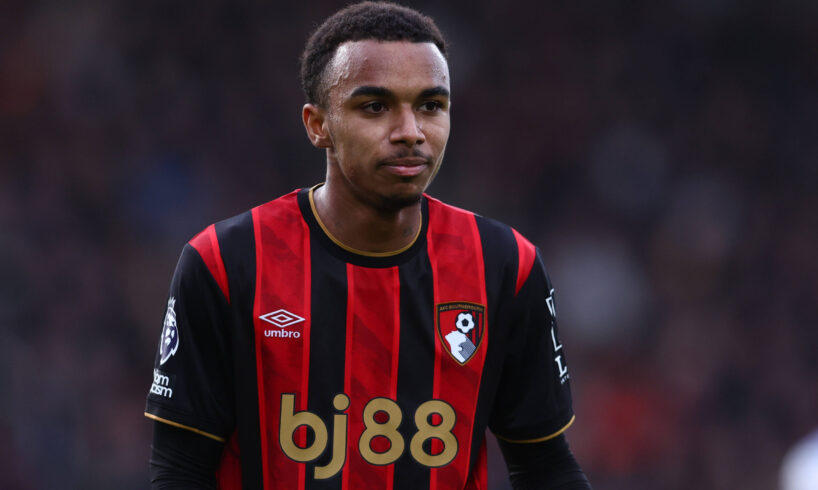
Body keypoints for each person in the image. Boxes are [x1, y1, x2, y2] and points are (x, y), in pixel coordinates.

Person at [145, 2, 591, 489]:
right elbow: (180, 471)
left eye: (430, 105)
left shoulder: (505, 265)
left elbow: (546, 467)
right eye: (376, 106)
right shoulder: (225, 263)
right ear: (318, 125)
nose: (410, 132)